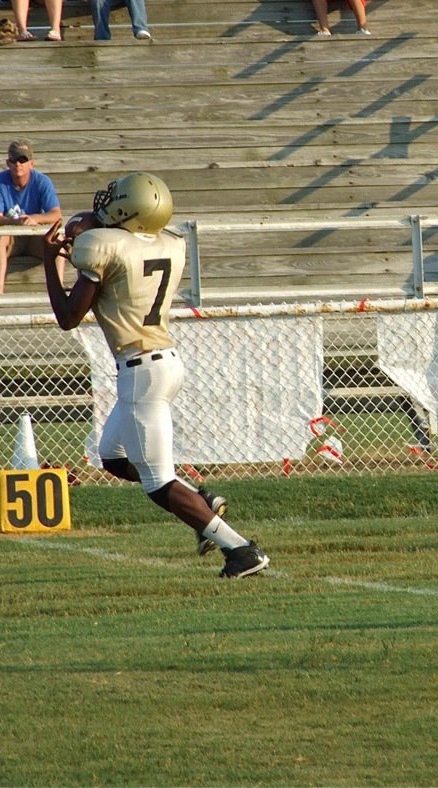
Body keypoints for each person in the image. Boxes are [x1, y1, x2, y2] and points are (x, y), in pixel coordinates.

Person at [41, 173, 271, 579]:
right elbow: (102, 234)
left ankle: (240, 550)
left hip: (142, 370)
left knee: (158, 483)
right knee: (112, 456)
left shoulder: (103, 247)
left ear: (128, 209)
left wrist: (51, 261)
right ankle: (201, 500)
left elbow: (68, 317)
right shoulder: (167, 242)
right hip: (161, 363)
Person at [0, 139, 64, 294]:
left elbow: (56, 214)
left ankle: (58, 287)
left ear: (31, 163)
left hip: (34, 236)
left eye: (22, 160)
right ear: (8, 163)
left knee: (57, 239)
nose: (18, 164)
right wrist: (16, 222)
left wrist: (34, 219)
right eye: (14, 160)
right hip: (10, 238)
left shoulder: (42, 181)